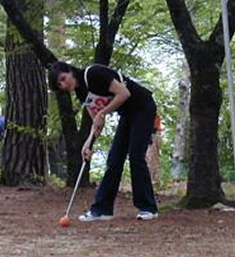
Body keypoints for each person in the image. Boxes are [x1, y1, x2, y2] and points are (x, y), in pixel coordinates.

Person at [48, 61, 159, 221]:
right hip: (127, 115)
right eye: (60, 84)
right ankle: (102, 209)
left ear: (70, 71)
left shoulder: (94, 74)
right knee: (114, 160)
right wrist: (88, 143)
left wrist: (103, 112)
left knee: (135, 156)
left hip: (143, 107)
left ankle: (148, 208)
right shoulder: (82, 93)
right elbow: (97, 122)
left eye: (63, 79)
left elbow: (124, 93)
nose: (63, 85)